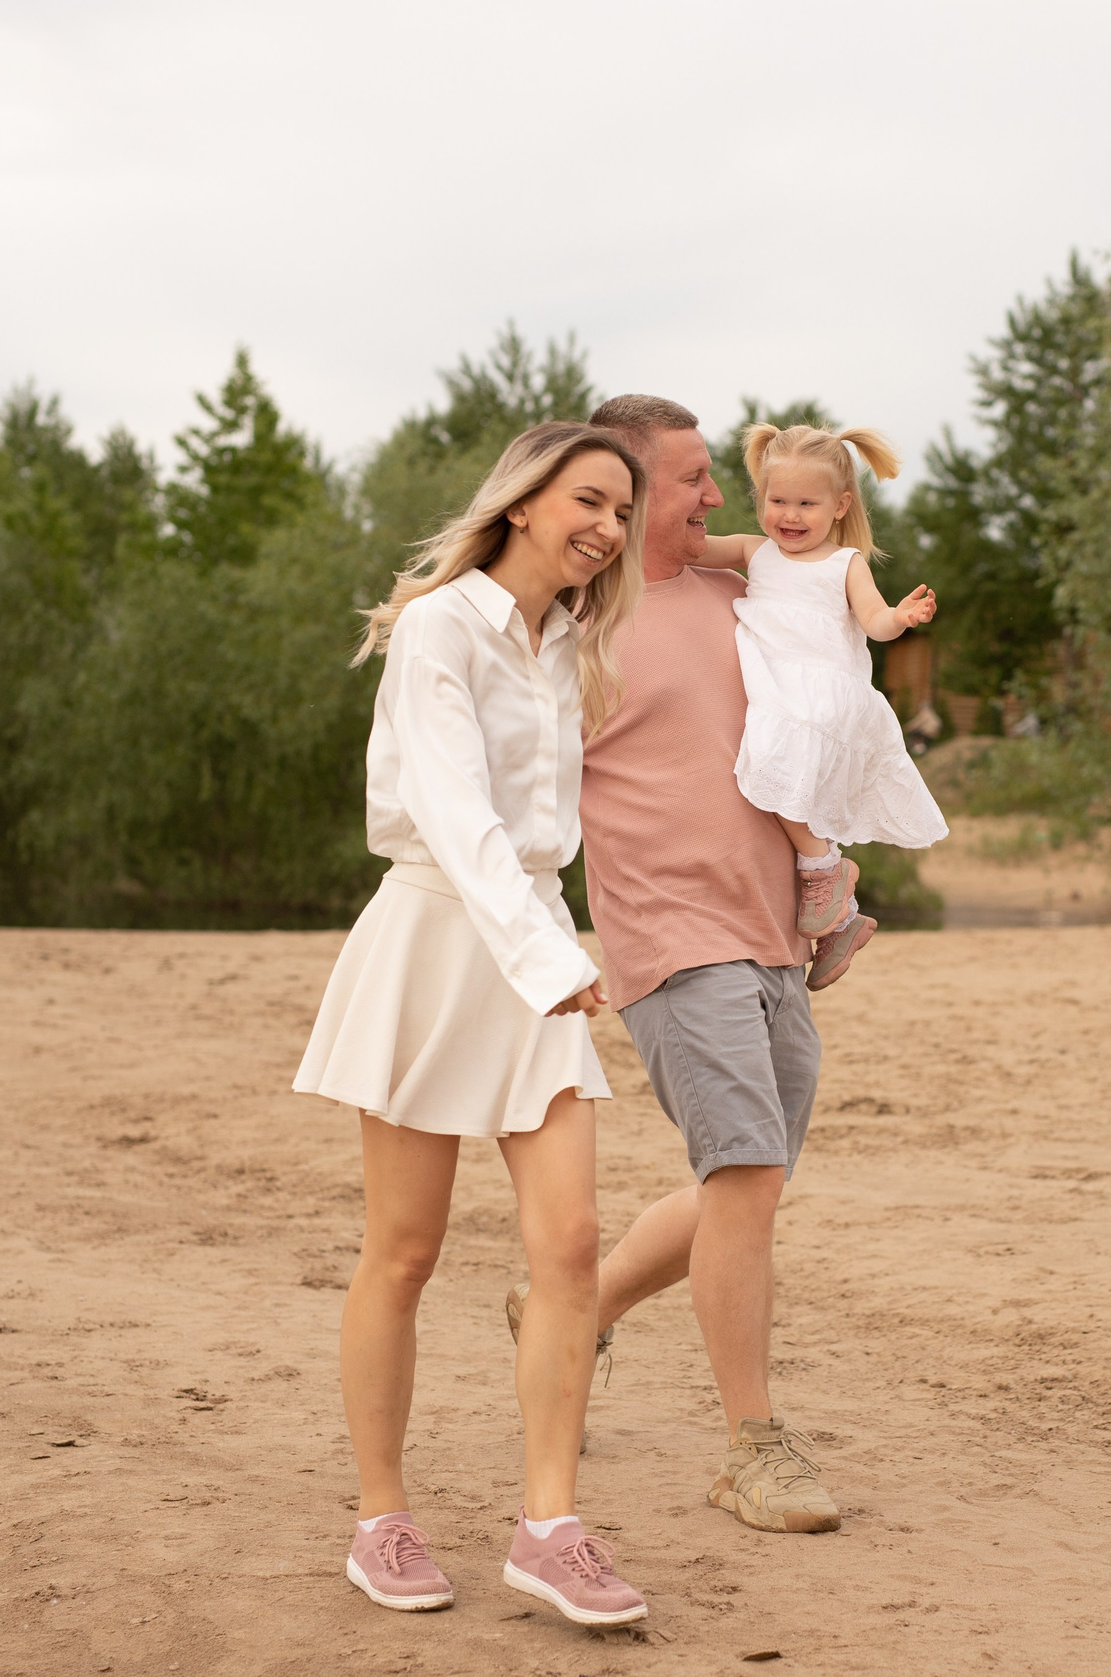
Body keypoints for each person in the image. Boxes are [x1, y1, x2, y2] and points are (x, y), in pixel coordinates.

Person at [293, 422, 654, 1628]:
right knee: (404, 1251)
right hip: (441, 938)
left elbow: (550, 830)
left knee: (572, 1245)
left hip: (532, 939)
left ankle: (549, 1528)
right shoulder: (441, 628)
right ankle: (380, 1520)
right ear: (523, 500)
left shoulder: (570, 644)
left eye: (621, 511)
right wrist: (547, 957)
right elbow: (452, 812)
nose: (606, 528)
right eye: (588, 500)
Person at [538, 392, 849, 1536]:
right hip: (669, 939)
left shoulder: (743, 596)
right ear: (625, 493)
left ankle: (573, 1313)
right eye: (692, 479)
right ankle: (752, 1449)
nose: (717, 495)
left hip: (774, 931)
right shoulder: (567, 629)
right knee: (747, 1177)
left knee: (746, 1183)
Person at [690, 422, 948, 963]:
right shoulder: (755, 551)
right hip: (780, 692)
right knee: (783, 787)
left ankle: (825, 868)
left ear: (840, 506)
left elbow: (874, 621)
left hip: (819, 696)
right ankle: (841, 924)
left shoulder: (843, 563)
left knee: (772, 770)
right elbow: (690, 548)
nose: (790, 515)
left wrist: (901, 617)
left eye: (807, 503)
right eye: (777, 500)